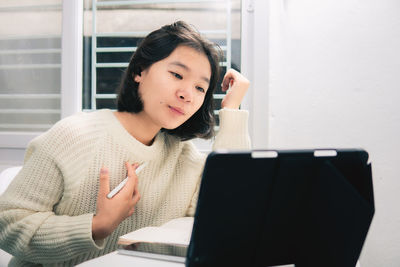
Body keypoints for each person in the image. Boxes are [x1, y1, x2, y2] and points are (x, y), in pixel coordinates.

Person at [0, 21, 251, 266]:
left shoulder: (185, 159)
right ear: (139, 71)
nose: (187, 94)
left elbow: (227, 212)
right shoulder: (74, 136)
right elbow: (9, 222)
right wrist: (97, 225)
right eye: (177, 74)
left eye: (200, 88)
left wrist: (232, 111)